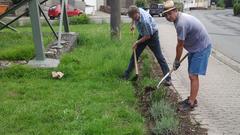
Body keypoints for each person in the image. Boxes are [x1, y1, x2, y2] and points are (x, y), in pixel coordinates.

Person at [163, 0, 212, 111]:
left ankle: (191, 103)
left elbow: (180, 45)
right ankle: (192, 98)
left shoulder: (181, 23)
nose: (168, 17)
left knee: (193, 75)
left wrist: (176, 61)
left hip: (201, 48)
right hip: (195, 48)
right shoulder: (178, 19)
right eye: (166, 15)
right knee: (191, 74)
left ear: (175, 11)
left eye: (170, 13)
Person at [123, 5, 172, 86]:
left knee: (159, 57)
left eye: (134, 17)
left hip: (152, 36)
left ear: (137, 13)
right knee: (134, 55)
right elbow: (133, 18)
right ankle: (126, 75)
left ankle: (168, 79)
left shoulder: (145, 21)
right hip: (143, 34)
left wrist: (137, 42)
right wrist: (133, 25)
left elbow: (147, 36)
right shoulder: (137, 10)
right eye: (132, 17)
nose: (133, 19)